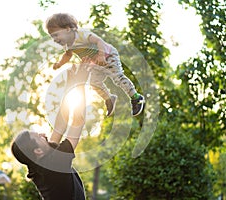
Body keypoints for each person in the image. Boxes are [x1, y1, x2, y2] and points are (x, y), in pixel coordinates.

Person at [11, 62, 90, 200]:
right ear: (38, 151)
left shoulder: (42, 164)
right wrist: (81, 84)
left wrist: (70, 84)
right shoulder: (52, 165)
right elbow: (78, 121)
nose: (43, 134)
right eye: (39, 137)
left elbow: (60, 126)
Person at [45, 12, 145, 117]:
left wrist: (101, 55)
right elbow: (67, 55)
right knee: (94, 83)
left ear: (67, 29)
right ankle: (109, 99)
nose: (54, 39)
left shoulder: (81, 34)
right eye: (52, 37)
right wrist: (60, 64)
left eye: (55, 35)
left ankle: (136, 97)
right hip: (96, 63)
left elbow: (99, 41)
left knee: (117, 77)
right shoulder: (67, 45)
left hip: (108, 56)